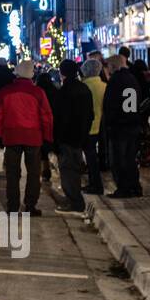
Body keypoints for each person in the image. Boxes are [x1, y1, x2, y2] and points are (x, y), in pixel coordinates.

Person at [0, 59, 53, 216]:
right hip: (34, 136)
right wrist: (47, 137)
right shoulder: (38, 92)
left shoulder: (6, 91)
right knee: (33, 173)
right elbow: (46, 116)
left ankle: (13, 205)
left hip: (12, 136)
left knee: (12, 173)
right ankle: (30, 204)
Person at [53, 60, 94, 212]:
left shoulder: (64, 91)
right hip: (81, 135)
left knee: (68, 170)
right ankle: (74, 198)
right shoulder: (84, 88)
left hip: (67, 137)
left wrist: (57, 139)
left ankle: (75, 202)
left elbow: (59, 117)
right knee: (75, 169)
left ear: (62, 73)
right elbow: (90, 114)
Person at [103, 54, 143, 197]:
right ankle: (135, 186)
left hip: (119, 126)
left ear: (113, 66)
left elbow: (110, 104)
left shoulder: (115, 81)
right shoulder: (132, 79)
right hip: (133, 123)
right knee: (131, 158)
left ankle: (123, 188)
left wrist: (109, 123)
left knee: (119, 159)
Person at [80, 56, 107, 194]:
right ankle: (94, 183)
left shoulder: (84, 86)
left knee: (90, 158)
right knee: (94, 157)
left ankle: (95, 184)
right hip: (102, 125)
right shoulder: (104, 86)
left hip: (88, 126)